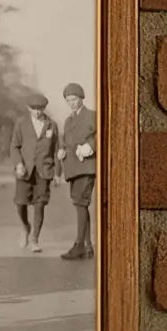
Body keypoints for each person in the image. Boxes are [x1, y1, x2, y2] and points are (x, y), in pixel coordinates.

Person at [7, 91, 58, 251]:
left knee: (40, 204)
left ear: (44, 108)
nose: (37, 112)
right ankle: (25, 227)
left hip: (44, 171)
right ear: (28, 108)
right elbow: (14, 146)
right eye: (34, 108)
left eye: (40, 108)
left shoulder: (51, 125)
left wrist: (57, 173)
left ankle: (35, 239)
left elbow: (56, 150)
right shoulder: (21, 124)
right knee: (20, 203)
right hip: (25, 171)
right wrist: (18, 164)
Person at [58, 81, 96, 260]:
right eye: (68, 100)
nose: (71, 103)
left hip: (86, 167)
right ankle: (87, 247)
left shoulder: (92, 116)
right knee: (81, 205)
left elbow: (103, 134)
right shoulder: (68, 121)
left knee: (81, 203)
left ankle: (80, 245)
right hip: (72, 168)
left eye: (74, 99)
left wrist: (91, 146)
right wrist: (62, 150)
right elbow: (66, 142)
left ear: (81, 98)